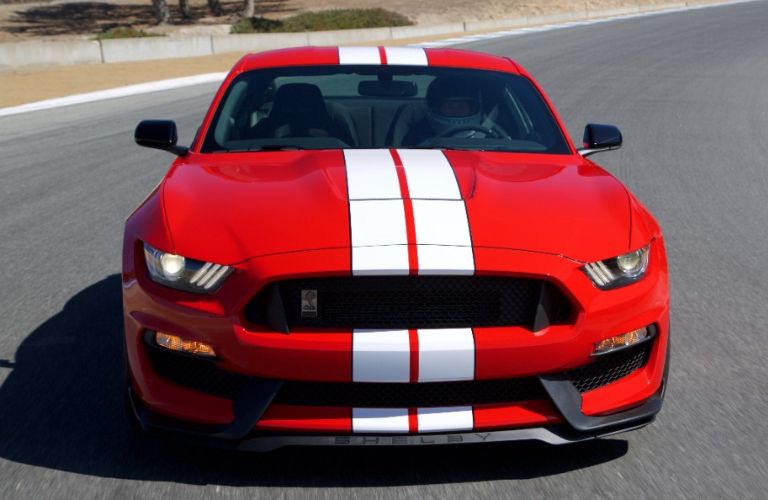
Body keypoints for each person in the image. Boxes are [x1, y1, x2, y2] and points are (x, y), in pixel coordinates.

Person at [392, 76, 504, 147]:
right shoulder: (418, 133)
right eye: (449, 106)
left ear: (473, 108)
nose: (456, 111)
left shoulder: (492, 135)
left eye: (461, 106)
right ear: (435, 107)